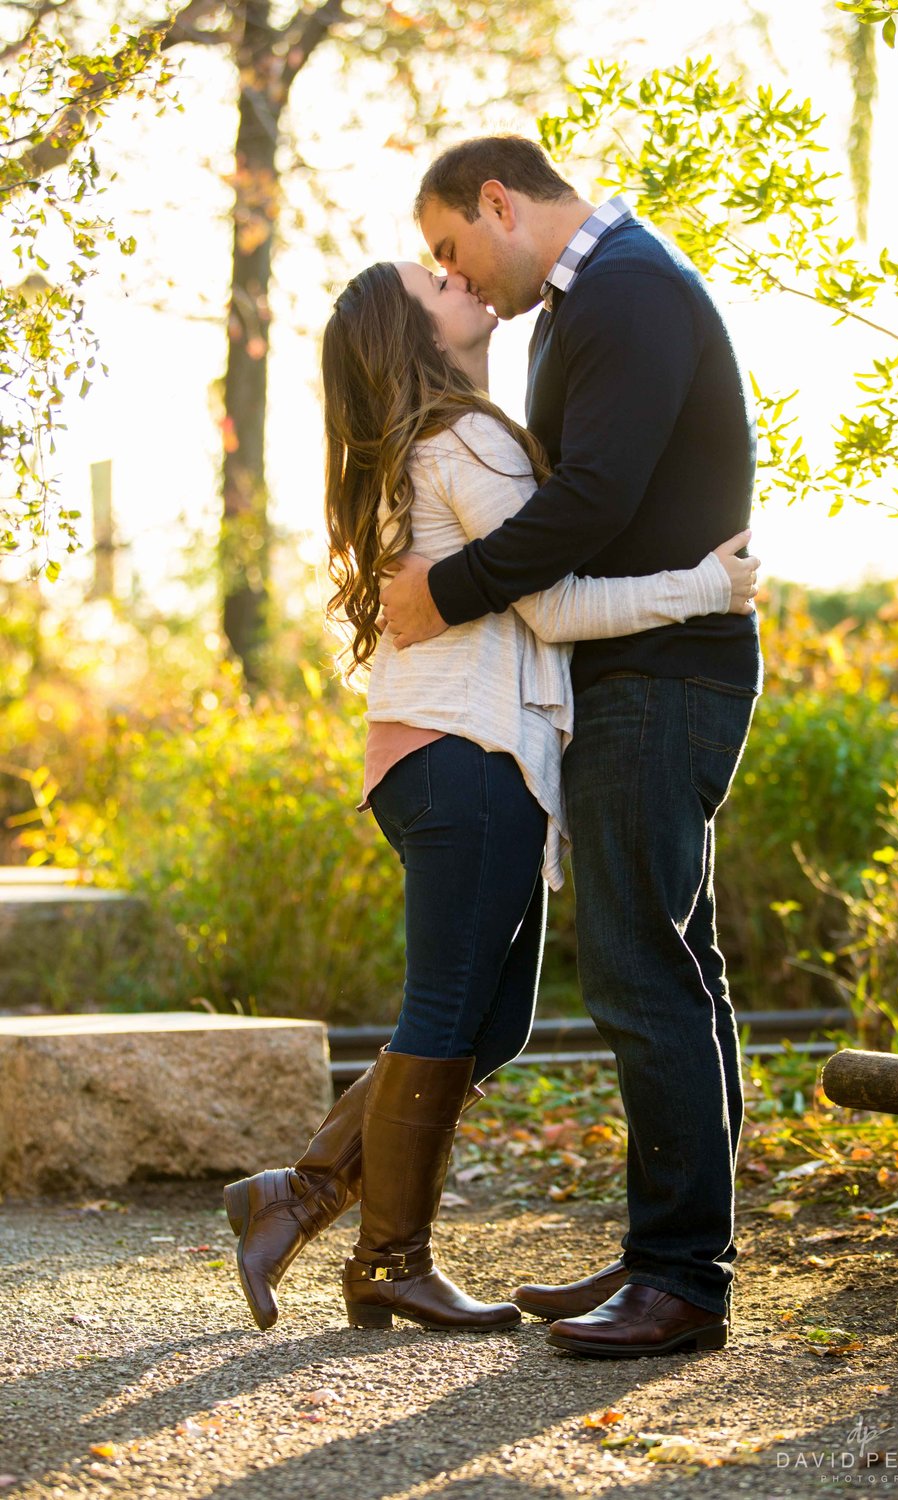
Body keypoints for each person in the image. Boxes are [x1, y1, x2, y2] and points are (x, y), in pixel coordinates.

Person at [223, 254, 759, 1338]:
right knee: (446, 1015)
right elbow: (551, 603)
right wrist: (705, 586)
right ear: (419, 336)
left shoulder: (411, 448)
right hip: (468, 753)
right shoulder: (464, 439)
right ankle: (386, 1257)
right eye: (437, 283)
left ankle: (305, 1192)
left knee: (491, 1022)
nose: (459, 280)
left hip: (438, 753)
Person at [379, 136, 764, 1359]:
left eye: (451, 248)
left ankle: (679, 1276)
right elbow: (592, 504)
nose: (459, 278)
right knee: (672, 961)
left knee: (639, 968)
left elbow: (588, 500)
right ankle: (674, 1245)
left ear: (498, 201)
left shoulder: (630, 291)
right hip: (636, 670)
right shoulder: (582, 306)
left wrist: (448, 589)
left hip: (663, 677)